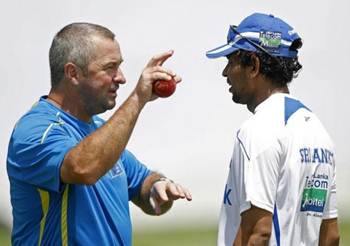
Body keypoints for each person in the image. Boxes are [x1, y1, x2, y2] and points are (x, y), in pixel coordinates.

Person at [7, 22, 192, 246]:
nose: (122, 78)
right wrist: (137, 98)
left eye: (119, 66)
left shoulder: (99, 129)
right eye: (110, 67)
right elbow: (83, 168)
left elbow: (142, 182)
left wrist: (158, 185)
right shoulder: (36, 130)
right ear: (72, 73)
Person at [206, 13, 339, 245]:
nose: (225, 72)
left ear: (253, 66)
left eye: (231, 61)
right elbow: (331, 236)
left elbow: (258, 233)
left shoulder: (257, 130)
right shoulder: (319, 131)